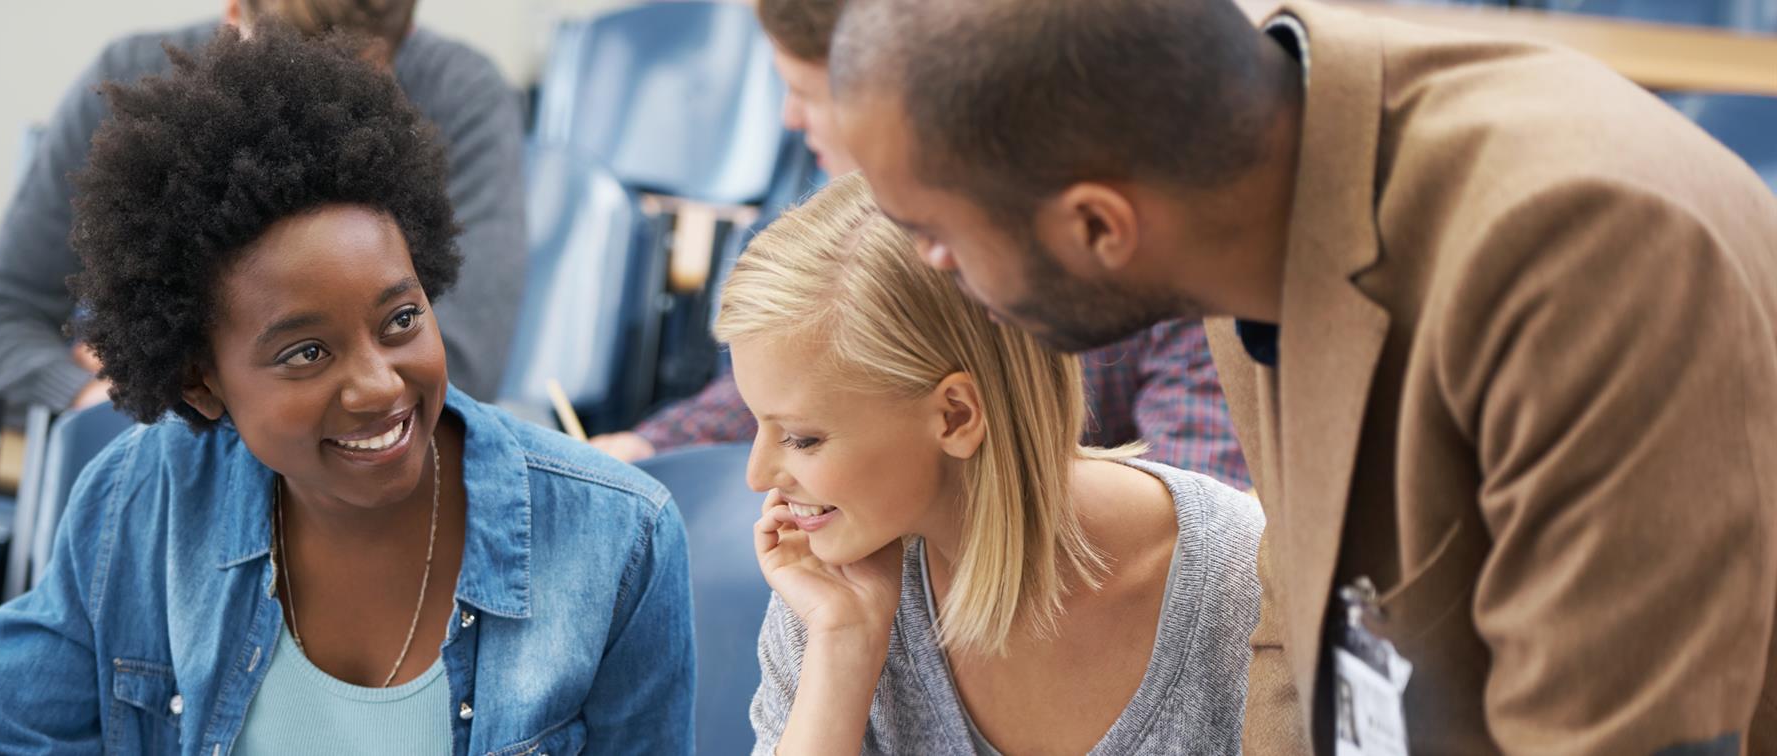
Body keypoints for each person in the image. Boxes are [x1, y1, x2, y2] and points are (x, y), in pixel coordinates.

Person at [825, 0, 1777, 752]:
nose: (931, 267)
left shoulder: (1582, 255)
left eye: (937, 233)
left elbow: (1622, 739)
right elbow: (1305, 608)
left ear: (1101, 228)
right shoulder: (1257, 188)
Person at [0, 23, 691, 755]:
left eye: (402, 318)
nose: (380, 384)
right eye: (307, 352)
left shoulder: (617, 539)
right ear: (200, 383)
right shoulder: (139, 500)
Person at [589, 0, 1250, 494]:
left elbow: (1200, 513)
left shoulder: (1164, 261)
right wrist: (655, 443)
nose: (789, 120)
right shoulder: (867, 239)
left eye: (806, 92)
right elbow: (806, 371)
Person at [727, 173, 1266, 754]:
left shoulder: (1244, 589)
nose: (757, 476)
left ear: (957, 417)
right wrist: (843, 648)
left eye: (803, 439)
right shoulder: (832, 587)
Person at [0, 0, 526, 411]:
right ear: (231, 18)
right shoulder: (125, 85)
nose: (312, 119)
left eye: (355, 88)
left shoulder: (462, 96)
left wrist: (220, 391)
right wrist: (97, 398)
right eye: (280, 76)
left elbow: (459, 365)